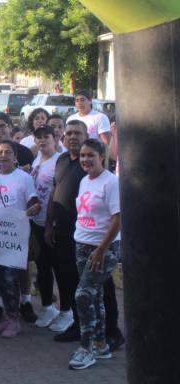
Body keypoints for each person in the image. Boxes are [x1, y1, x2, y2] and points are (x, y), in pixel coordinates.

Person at [44, 121, 124, 349]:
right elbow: (54, 193)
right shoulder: (61, 161)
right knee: (69, 279)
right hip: (70, 233)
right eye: (68, 133)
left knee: (100, 287)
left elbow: (116, 213)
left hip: (96, 239)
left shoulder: (94, 168)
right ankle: (79, 324)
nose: (71, 137)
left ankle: (111, 331)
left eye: (77, 133)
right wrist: (49, 224)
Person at [67, 139, 121, 370]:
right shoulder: (83, 181)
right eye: (83, 156)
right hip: (82, 244)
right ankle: (100, 344)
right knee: (95, 296)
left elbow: (117, 218)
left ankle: (86, 348)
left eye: (91, 155)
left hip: (103, 248)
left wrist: (101, 249)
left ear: (102, 156)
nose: (86, 160)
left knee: (83, 294)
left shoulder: (111, 182)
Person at [0, 141, 41, 338]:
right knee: (0, 276)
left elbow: (33, 200)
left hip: (16, 234)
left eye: (8, 152)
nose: (3, 155)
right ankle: (8, 316)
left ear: (15, 157)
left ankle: (15, 320)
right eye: (0, 152)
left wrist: (34, 207)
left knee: (11, 278)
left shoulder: (24, 178)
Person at [29, 126, 63, 329]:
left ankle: (65, 310)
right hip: (37, 222)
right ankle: (48, 306)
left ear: (55, 138)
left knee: (58, 267)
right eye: (38, 137)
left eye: (46, 137)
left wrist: (51, 222)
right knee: (42, 268)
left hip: (53, 224)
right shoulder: (37, 159)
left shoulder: (60, 160)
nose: (42, 141)